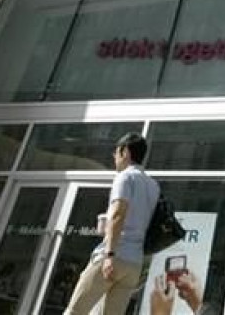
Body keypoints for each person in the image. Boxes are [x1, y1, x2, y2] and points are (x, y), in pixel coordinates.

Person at [65, 132, 160, 315]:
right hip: (134, 263)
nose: (114, 158)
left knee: (75, 310)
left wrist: (109, 254)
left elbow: (118, 214)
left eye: (116, 152)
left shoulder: (125, 177)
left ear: (125, 152)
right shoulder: (152, 186)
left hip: (114, 256)